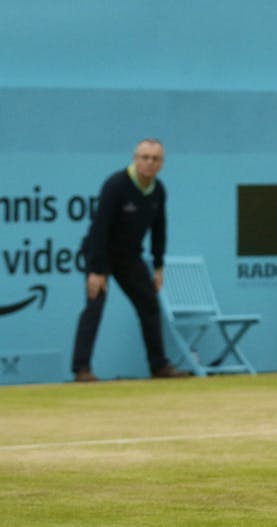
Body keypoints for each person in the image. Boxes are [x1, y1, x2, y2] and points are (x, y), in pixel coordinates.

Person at [71, 139, 189, 382]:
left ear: (162, 164)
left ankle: (159, 366)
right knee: (94, 307)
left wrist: (158, 266)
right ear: (135, 159)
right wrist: (96, 270)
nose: (149, 163)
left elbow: (159, 229)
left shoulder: (158, 190)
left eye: (155, 159)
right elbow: (100, 228)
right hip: (101, 253)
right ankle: (81, 369)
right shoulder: (116, 185)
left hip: (129, 257)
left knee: (150, 306)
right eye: (145, 157)